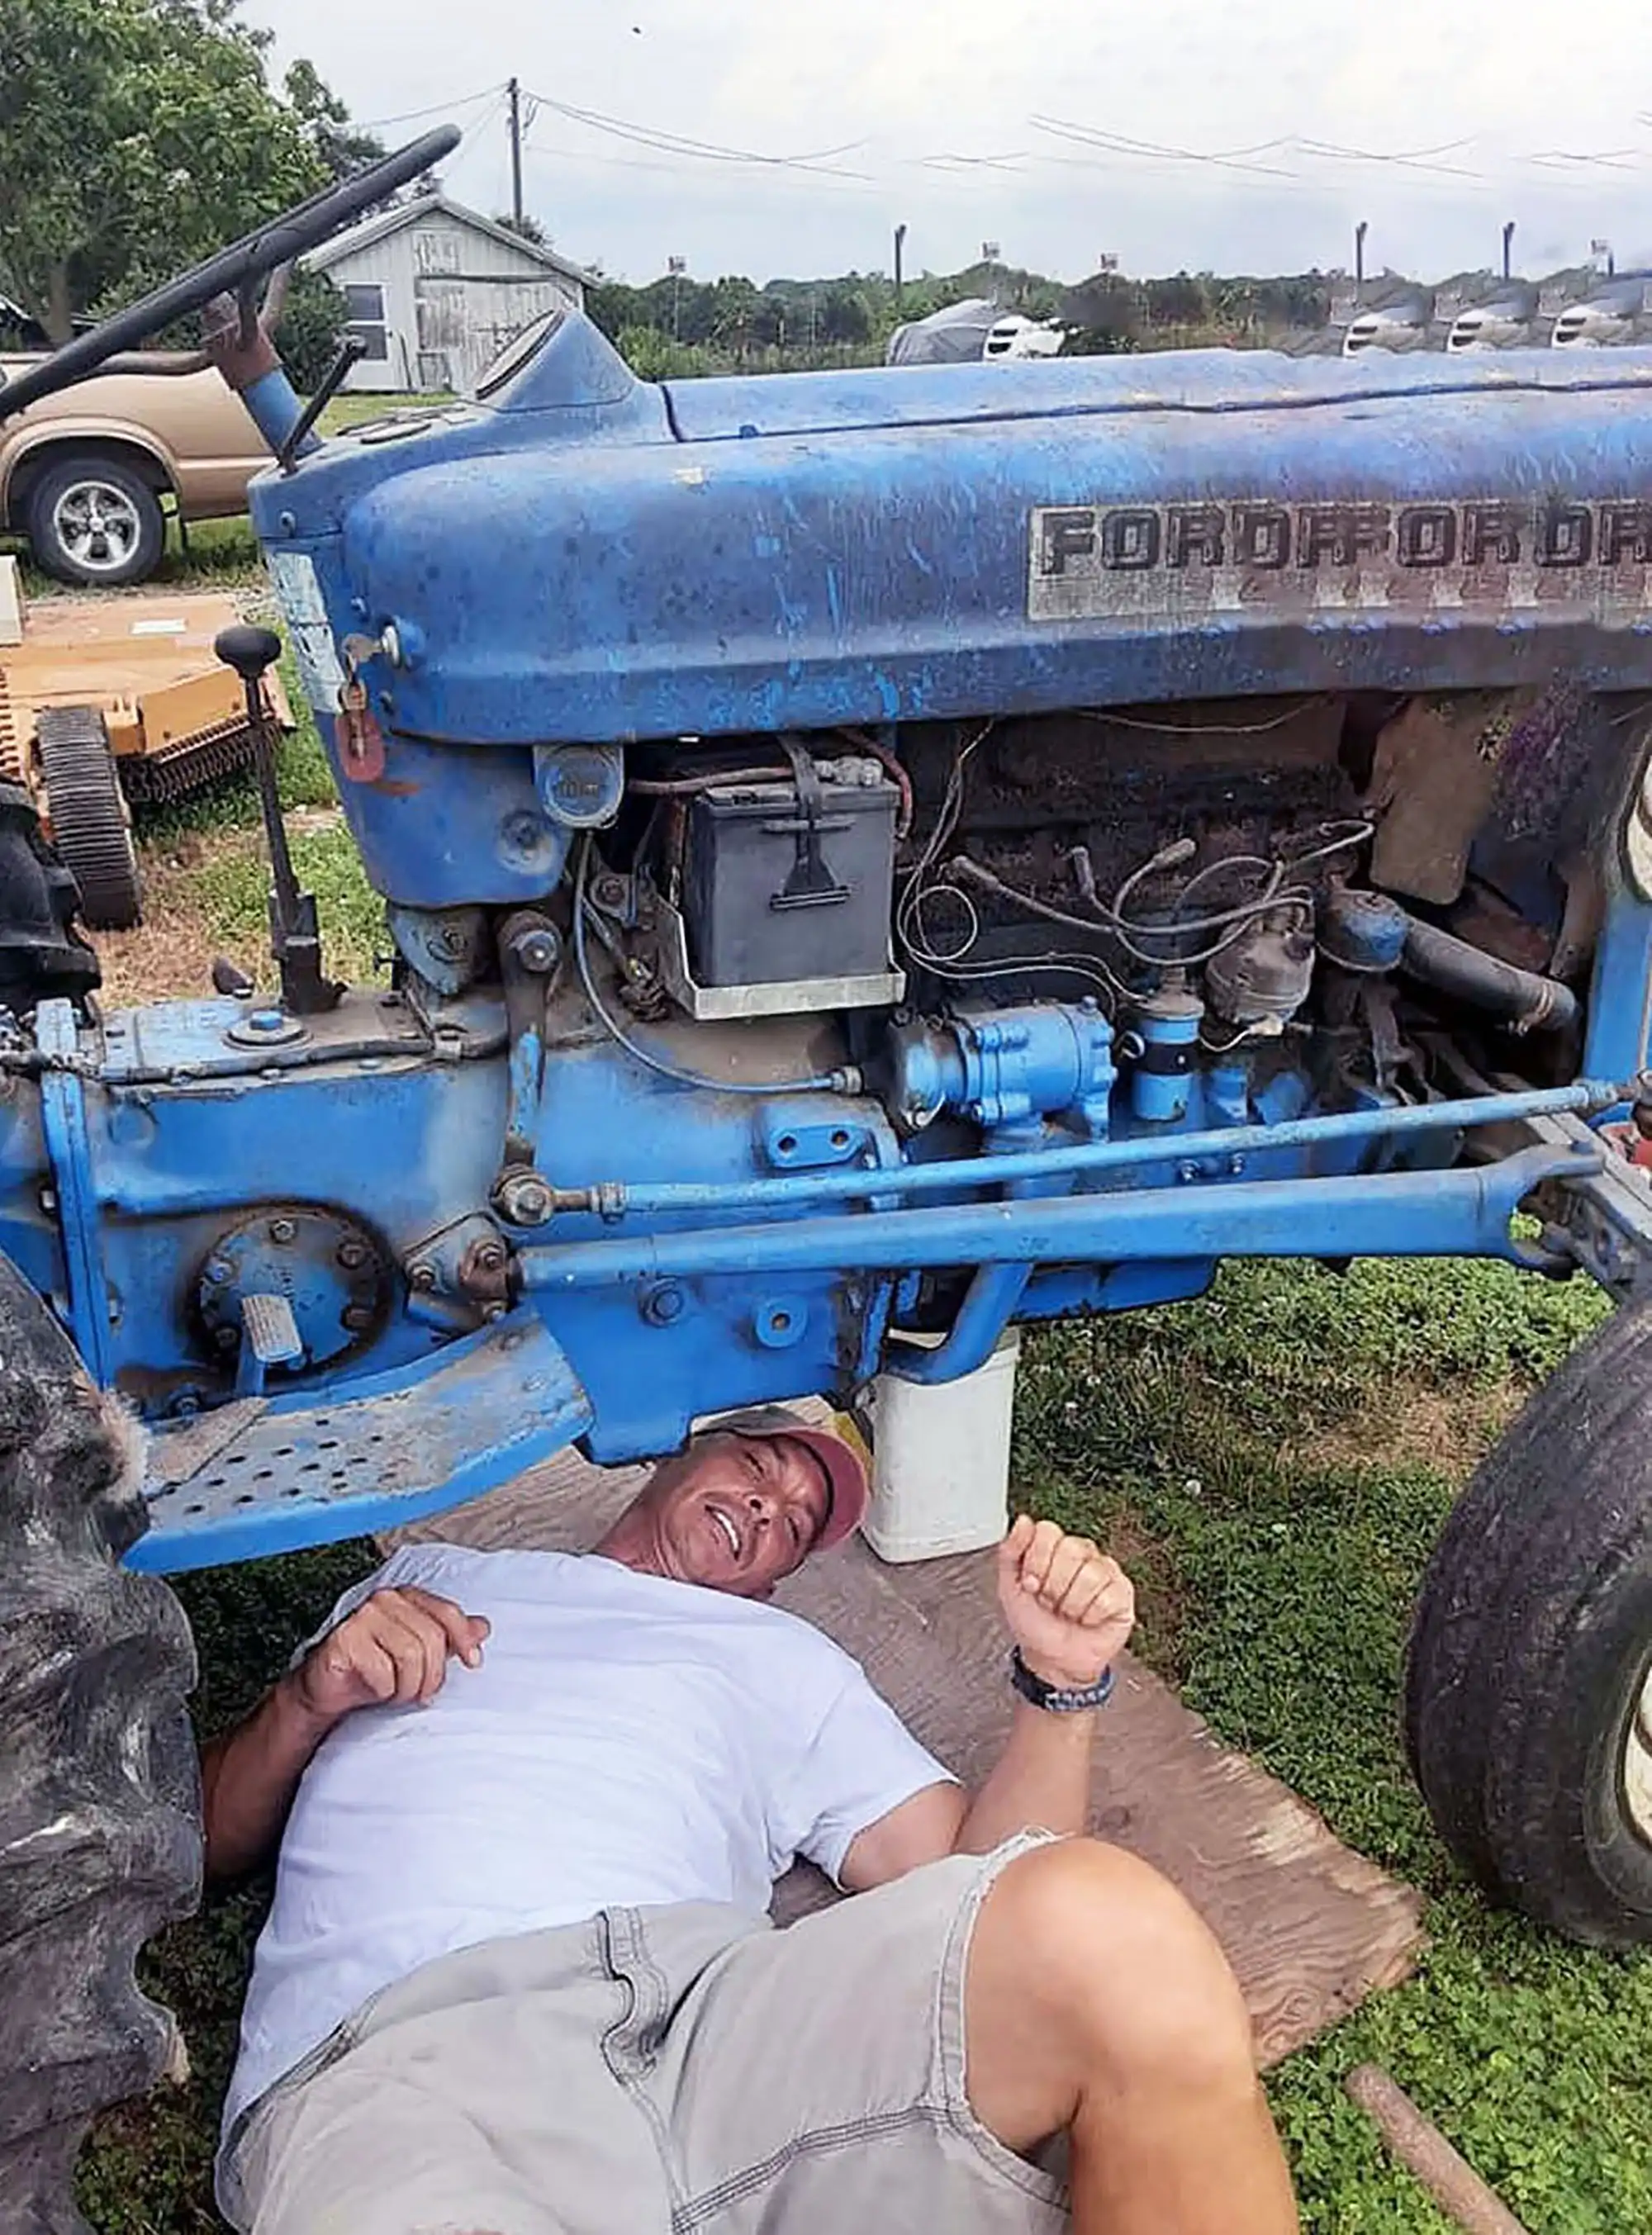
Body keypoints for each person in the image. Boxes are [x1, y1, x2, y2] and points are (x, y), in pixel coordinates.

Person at [204, 1404, 1298, 2235]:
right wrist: (308, 1697)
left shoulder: (791, 1665)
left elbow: (983, 1873)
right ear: (674, 1451)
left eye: (796, 1521)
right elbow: (201, 1840)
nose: (768, 1506)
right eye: (757, 1463)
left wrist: (1059, 1690)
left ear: (782, 1580)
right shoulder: (437, 1580)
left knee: (1113, 1939)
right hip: (407, 2052)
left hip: (702, 2025)